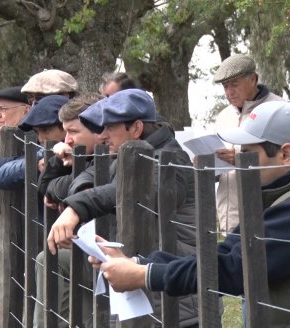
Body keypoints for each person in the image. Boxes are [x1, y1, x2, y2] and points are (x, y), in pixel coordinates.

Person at [89, 100, 290, 327]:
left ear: (286, 154)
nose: (240, 162)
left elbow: (231, 270)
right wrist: (139, 263)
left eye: (248, 154)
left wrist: (144, 275)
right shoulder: (275, 200)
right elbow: (223, 253)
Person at [47, 88, 200, 327]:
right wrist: (81, 192)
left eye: (109, 127)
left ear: (136, 128)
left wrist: (76, 208)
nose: (102, 135)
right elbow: (91, 179)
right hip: (145, 294)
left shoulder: (170, 158)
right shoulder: (123, 155)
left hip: (176, 302)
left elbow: (139, 191)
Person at [33, 93, 103, 328]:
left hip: (116, 260)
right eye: (65, 132)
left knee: (52, 259)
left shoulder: (108, 157)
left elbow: (75, 187)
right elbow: (46, 189)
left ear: (98, 130)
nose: (67, 140)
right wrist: (57, 160)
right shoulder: (82, 157)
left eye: (73, 132)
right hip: (94, 257)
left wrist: (67, 189)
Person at [213, 54, 283, 234]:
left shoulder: (279, 110)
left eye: (234, 84)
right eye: (225, 86)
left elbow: (285, 162)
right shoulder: (223, 116)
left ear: (253, 79)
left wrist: (243, 160)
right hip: (228, 214)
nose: (229, 92)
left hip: (265, 213)